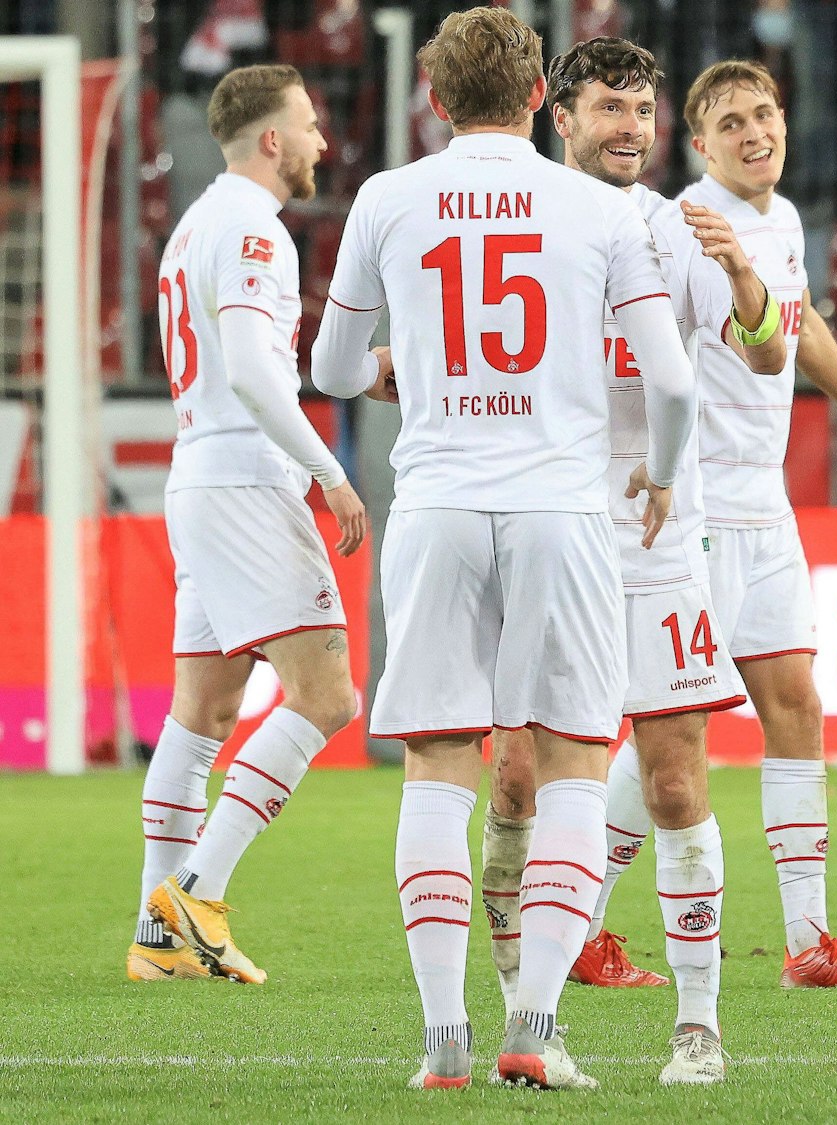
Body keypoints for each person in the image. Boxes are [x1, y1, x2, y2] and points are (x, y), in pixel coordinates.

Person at [309, 6, 698, 1091]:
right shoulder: (594, 208)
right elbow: (669, 380)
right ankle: (533, 1026)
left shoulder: (388, 199)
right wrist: (660, 474)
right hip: (561, 508)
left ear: (434, 99)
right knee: (575, 762)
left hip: (434, 506)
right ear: (540, 97)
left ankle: (443, 1042)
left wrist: (395, 363)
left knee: (440, 766)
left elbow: (335, 369)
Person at [478, 34, 788, 1086]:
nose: (631, 129)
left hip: (660, 542)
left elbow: (767, 349)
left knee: (669, 782)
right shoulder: (516, 223)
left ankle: (697, 1026)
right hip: (547, 535)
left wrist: (742, 269)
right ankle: (533, 1018)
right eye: (611, 109)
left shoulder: (678, 231)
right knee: (518, 781)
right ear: (556, 117)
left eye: (644, 111)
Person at [135, 63, 366, 987]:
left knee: (203, 715)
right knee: (328, 697)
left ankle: (157, 931)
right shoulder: (254, 230)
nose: (321, 142)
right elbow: (252, 370)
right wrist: (328, 471)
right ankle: (196, 894)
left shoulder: (192, 225)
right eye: (309, 126)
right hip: (245, 479)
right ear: (271, 140)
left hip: (199, 476)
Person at [678, 59, 837, 989]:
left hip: (762, 502)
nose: (754, 132)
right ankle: (581, 925)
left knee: (797, 705)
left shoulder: (781, 219)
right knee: (675, 725)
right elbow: (764, 344)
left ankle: (809, 941)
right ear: (702, 146)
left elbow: (799, 321)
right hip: (695, 505)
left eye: (764, 113)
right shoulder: (693, 226)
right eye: (731, 122)